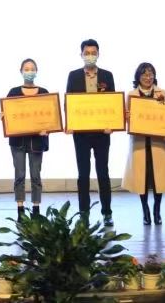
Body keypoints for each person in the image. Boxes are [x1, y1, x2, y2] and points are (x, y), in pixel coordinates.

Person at [122, 62, 165, 225]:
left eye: (150, 74)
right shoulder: (131, 95)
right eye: (144, 75)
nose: (148, 78)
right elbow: (127, 119)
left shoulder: (162, 93)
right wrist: (127, 117)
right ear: (138, 77)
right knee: (141, 179)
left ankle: (157, 210)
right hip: (139, 143)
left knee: (158, 179)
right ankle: (145, 211)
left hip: (158, 143)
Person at [65, 38, 116, 226]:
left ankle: (107, 212)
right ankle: (84, 213)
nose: (90, 56)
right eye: (86, 53)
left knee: (103, 173)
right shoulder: (74, 76)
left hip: (102, 133)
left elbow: (113, 103)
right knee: (83, 174)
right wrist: (70, 123)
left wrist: (112, 124)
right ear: (81, 55)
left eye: (93, 53)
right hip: (81, 134)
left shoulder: (107, 76)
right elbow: (69, 101)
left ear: (98, 54)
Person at [3, 58, 49, 219]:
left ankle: (36, 208)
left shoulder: (44, 93)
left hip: (37, 141)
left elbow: (50, 117)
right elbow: (8, 115)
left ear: (37, 71)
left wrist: (47, 129)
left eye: (32, 69)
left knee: (36, 175)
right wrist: (4, 117)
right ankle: (20, 209)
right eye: (26, 69)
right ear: (21, 71)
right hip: (18, 141)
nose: (29, 72)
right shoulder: (13, 92)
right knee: (19, 175)